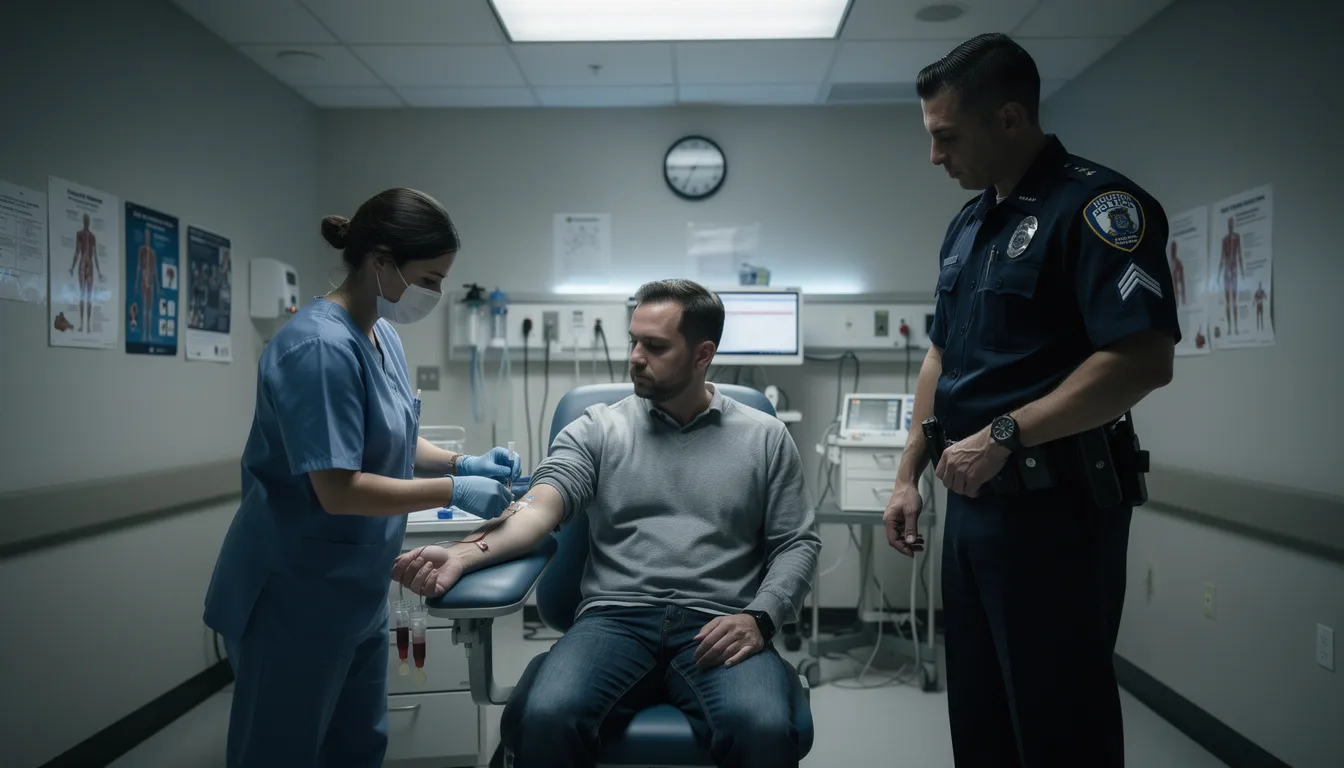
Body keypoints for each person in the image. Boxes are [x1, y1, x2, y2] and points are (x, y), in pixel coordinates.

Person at [881, 34, 1178, 767]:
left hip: (1058, 511)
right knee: (981, 719)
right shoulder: (970, 223)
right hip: (973, 505)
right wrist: (907, 470)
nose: (934, 156)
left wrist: (1008, 433)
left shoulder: (1098, 207)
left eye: (946, 136)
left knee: (1057, 723)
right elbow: (943, 356)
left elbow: (1143, 358)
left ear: (1009, 119)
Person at [393, 279, 821, 768]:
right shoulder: (599, 428)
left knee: (762, 729)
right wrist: (464, 554)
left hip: (721, 620)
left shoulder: (764, 438)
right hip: (615, 619)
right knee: (545, 717)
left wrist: (761, 617)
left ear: (704, 354)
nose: (636, 357)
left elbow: (796, 543)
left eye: (655, 346)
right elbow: (539, 507)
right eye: (633, 341)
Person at [202, 188, 523, 768]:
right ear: (379, 260)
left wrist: (459, 462)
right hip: (294, 594)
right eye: (429, 278)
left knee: (356, 749)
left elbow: (392, 438)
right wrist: (455, 492)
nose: (436, 293)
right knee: (282, 751)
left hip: (355, 589)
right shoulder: (318, 348)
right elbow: (338, 487)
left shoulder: (382, 335)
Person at [68, 213, 101, 332]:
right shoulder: (79, 234)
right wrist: (72, 267)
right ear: (83, 221)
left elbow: (96, 256)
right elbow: (77, 251)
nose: (86, 222)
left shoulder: (92, 236)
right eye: (85, 220)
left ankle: (88, 325)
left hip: (90, 265)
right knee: (82, 295)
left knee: (89, 297)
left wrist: (99, 272)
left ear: (89, 222)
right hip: (82, 264)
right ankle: (82, 324)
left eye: (88, 220)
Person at [1219, 216, 1243, 334]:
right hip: (1227, 272)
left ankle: (1236, 327)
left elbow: (1239, 255)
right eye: (1228, 224)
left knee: (1234, 301)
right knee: (1228, 301)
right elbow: (1222, 257)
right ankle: (1229, 327)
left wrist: (1242, 272)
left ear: (1233, 225)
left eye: (1231, 224)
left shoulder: (1237, 238)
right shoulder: (1224, 240)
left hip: (1233, 271)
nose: (1230, 226)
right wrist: (1218, 276)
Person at [136, 225, 156, 341]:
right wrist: (136, 282)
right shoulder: (141, 250)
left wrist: (157, 286)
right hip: (144, 278)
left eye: (149, 235)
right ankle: (144, 333)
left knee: (150, 309)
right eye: (146, 235)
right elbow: (139, 266)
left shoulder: (153, 253)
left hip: (151, 281)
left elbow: (155, 271)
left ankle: (150, 333)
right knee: (143, 308)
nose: (147, 237)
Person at [1169, 241, 1185, 306]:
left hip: (1175, 292)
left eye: (1174, 249)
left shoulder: (1178, 264)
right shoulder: (1167, 262)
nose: (1173, 251)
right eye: (1172, 249)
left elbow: (1182, 281)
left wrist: (1183, 297)